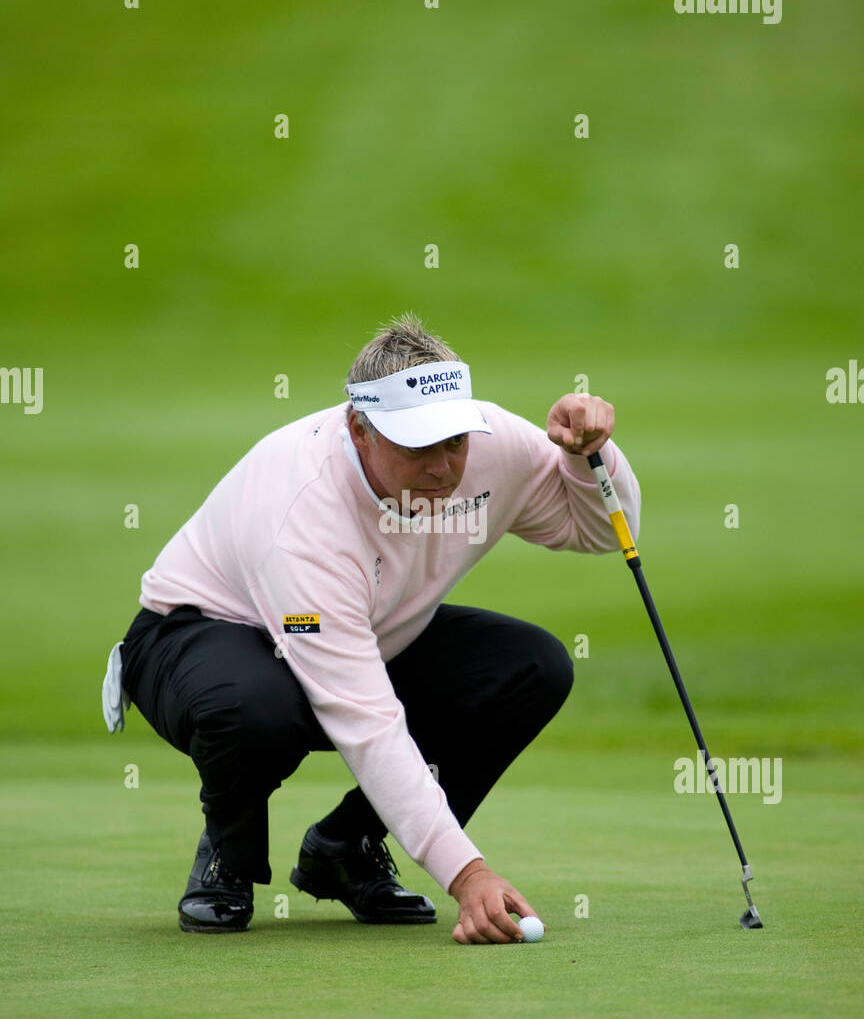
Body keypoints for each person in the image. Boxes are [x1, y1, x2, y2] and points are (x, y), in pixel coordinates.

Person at [101, 313, 640, 945]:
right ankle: (229, 858)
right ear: (360, 429)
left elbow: (603, 530)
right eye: (418, 447)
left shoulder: (492, 446)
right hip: (193, 637)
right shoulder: (304, 514)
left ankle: (347, 849)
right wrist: (467, 874)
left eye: (454, 443)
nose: (444, 468)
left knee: (533, 667)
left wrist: (589, 456)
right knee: (255, 708)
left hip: (362, 632)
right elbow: (363, 716)